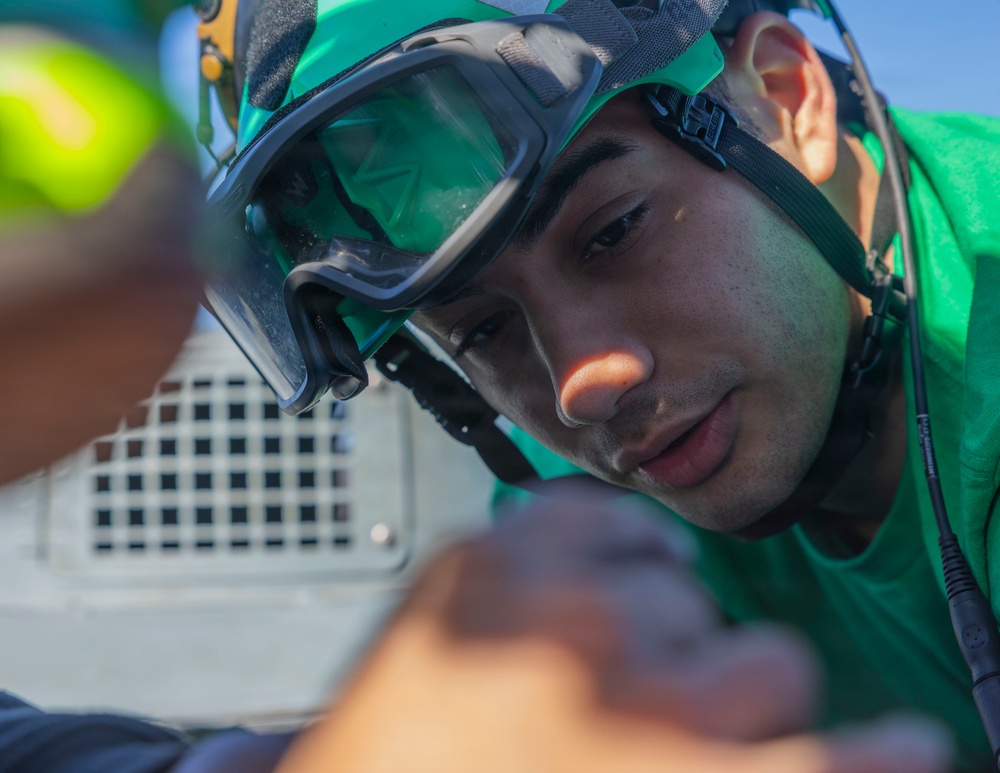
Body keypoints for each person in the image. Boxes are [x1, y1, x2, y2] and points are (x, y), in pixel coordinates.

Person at [0, 4, 952, 772]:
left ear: (786, 99)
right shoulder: (564, 500)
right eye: (483, 330)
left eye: (614, 231)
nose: (581, 383)